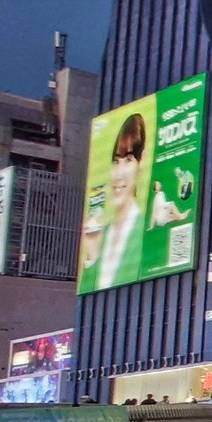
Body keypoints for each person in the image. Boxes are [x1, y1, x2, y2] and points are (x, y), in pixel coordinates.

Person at [81, 111, 151, 290]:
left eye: (128, 160)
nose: (119, 174)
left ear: (141, 161)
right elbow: (89, 298)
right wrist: (92, 254)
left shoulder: (146, 231)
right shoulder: (99, 234)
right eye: (115, 162)